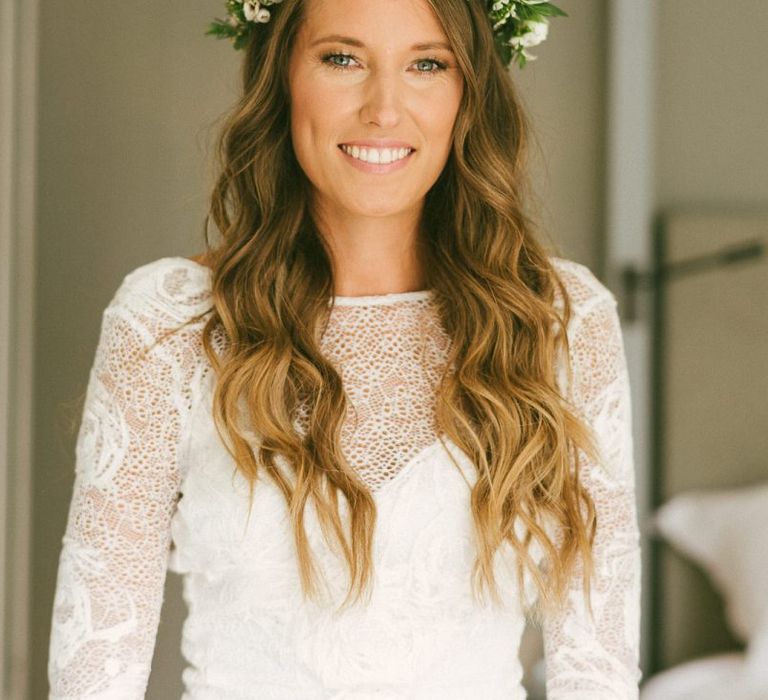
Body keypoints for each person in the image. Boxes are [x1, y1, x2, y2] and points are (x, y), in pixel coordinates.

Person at [47, 0, 642, 697]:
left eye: (427, 63)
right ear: (281, 77)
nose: (384, 108)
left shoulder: (557, 320)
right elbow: (96, 662)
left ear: (468, 93)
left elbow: (596, 658)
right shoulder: (167, 320)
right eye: (342, 59)